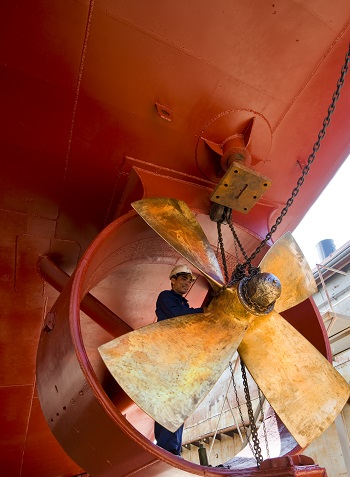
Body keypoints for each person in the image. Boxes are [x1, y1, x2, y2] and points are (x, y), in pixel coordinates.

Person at [154, 264, 204, 456]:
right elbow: (179, 317)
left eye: (190, 280)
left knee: (179, 402)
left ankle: (174, 449)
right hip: (167, 356)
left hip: (179, 358)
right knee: (168, 400)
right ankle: (167, 448)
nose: (187, 283)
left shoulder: (183, 304)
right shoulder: (166, 297)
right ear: (172, 280)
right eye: (183, 279)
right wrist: (204, 311)